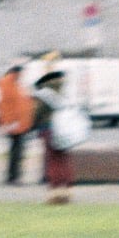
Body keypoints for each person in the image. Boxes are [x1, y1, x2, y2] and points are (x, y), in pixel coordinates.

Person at [31, 69, 73, 205]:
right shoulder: (64, 92)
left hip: (48, 129)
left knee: (52, 160)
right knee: (63, 160)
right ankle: (65, 192)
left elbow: (37, 113)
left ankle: (55, 194)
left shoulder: (44, 94)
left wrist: (33, 124)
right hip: (65, 130)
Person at [0, 63, 35, 186]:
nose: (23, 76)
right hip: (15, 124)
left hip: (17, 123)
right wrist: (12, 122)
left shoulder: (14, 84)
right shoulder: (10, 84)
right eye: (22, 73)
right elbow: (10, 106)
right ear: (17, 72)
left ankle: (13, 176)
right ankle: (14, 177)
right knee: (17, 152)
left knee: (15, 151)